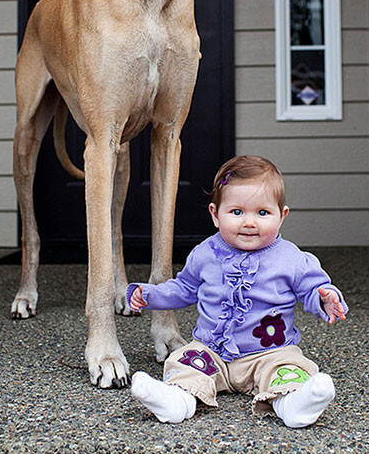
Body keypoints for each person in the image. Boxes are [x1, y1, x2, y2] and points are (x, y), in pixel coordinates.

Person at [126, 155, 348, 428]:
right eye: (237, 212)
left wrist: (325, 298)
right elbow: (183, 288)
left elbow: (312, 288)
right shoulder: (205, 254)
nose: (249, 222)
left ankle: (294, 404)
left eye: (263, 213)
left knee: (289, 369)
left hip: (270, 353)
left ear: (282, 216)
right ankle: (176, 401)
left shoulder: (291, 258)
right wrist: (149, 295)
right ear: (215, 214)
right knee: (185, 361)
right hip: (212, 352)